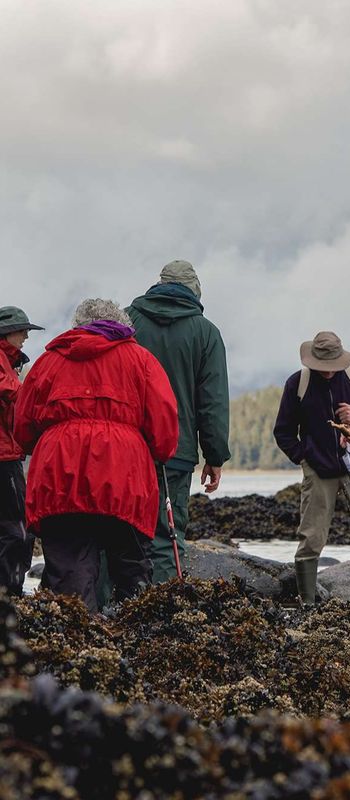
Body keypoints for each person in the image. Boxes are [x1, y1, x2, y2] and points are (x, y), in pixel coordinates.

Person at [14, 299, 178, 613]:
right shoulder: (140, 360)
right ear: (121, 325)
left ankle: (78, 641)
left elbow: (23, 425)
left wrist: (42, 444)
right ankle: (136, 637)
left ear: (79, 326)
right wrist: (161, 452)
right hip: (124, 473)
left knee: (69, 567)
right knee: (131, 564)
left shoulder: (49, 361)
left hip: (60, 471)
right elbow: (164, 424)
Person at [127, 260, 231, 582]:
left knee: (119, 530)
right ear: (194, 291)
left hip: (126, 447)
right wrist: (214, 457)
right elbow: (211, 402)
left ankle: (107, 614)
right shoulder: (206, 333)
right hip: (175, 451)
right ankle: (163, 617)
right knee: (167, 535)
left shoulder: (127, 321)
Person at [274, 331, 350, 606]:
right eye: (323, 366)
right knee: (311, 536)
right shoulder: (297, 383)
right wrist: (305, 458)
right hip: (318, 469)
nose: (328, 372)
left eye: (333, 366)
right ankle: (307, 603)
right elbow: (283, 432)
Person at [0, 306, 44, 595]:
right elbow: (11, 392)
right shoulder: (4, 363)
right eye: (22, 330)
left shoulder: (9, 360)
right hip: (4, 456)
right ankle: (10, 592)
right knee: (17, 528)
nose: (27, 335)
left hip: (8, 452)